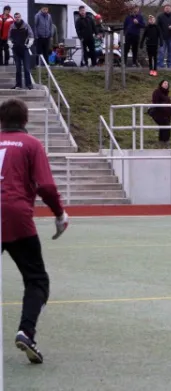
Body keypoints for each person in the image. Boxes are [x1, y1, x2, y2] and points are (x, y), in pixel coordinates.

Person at [0, 98, 69, 364]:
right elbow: (46, 187)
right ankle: (26, 332)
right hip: (16, 216)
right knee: (37, 279)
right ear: (26, 120)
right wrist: (60, 214)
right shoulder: (31, 144)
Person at [8, 13, 34, 90]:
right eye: (16, 17)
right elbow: (9, 37)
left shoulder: (26, 25)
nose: (17, 18)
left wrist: (29, 44)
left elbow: (31, 36)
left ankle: (29, 84)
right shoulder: (12, 26)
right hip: (16, 50)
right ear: (14, 18)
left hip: (25, 50)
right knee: (18, 69)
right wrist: (11, 45)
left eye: (18, 17)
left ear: (20, 17)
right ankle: (18, 85)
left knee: (26, 68)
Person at [150, 79, 171, 148]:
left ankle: (161, 143)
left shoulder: (166, 93)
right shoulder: (157, 92)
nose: (166, 85)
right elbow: (155, 102)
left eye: (167, 84)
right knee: (166, 127)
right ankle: (165, 142)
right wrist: (163, 107)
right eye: (165, 83)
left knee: (163, 127)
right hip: (159, 113)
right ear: (161, 84)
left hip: (167, 115)